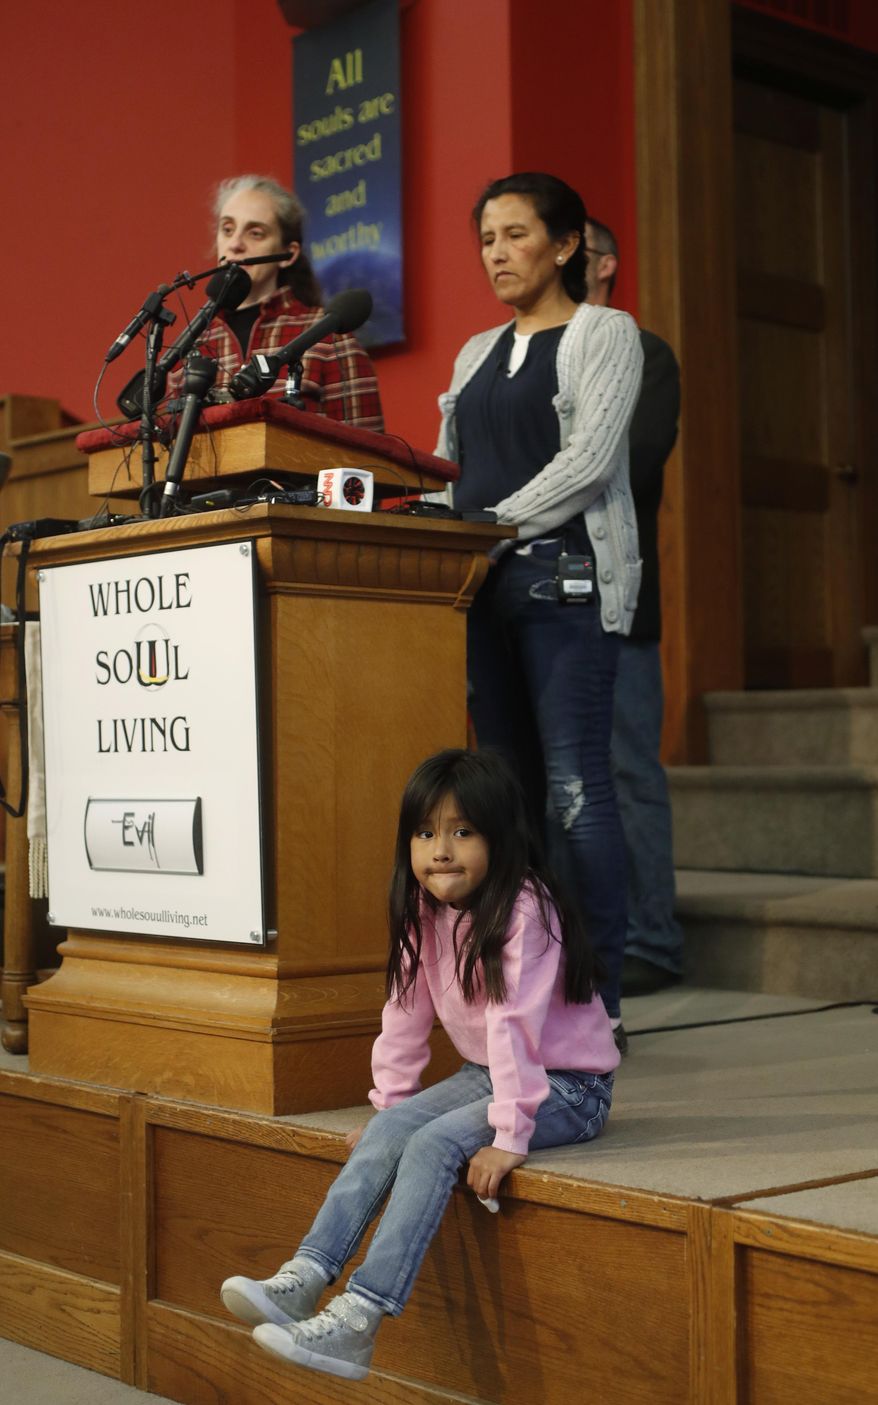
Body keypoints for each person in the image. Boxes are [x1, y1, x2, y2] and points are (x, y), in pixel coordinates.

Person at [220, 748, 618, 1382]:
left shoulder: (525, 910)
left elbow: (516, 1024)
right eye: (426, 832)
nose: (441, 850)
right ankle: (305, 1276)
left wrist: (510, 1134)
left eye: (463, 832)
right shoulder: (423, 912)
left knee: (433, 1145)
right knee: (393, 1131)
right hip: (486, 1072)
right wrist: (389, 1107)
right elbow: (404, 1012)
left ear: (501, 837)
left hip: (568, 1087)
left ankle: (358, 1320)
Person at [435, 172, 643, 1047]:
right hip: (481, 586)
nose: (497, 253)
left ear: (566, 247)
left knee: (573, 790)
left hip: (564, 581)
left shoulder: (607, 332)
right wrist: (443, 538)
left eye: (516, 235)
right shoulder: (477, 349)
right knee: (509, 794)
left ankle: (601, 993)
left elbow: (591, 459)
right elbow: (449, 466)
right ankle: (530, 981)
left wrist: (488, 527)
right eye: (486, 238)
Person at [585, 218, 684, 996]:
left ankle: (654, 937)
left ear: (605, 263)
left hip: (620, 596)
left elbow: (635, 461)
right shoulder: (522, 353)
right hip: (533, 593)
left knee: (628, 770)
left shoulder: (645, 355)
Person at [165, 174, 384, 430]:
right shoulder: (188, 350)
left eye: (255, 233)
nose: (235, 244)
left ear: (288, 255)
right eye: (227, 229)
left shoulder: (330, 338)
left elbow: (369, 462)